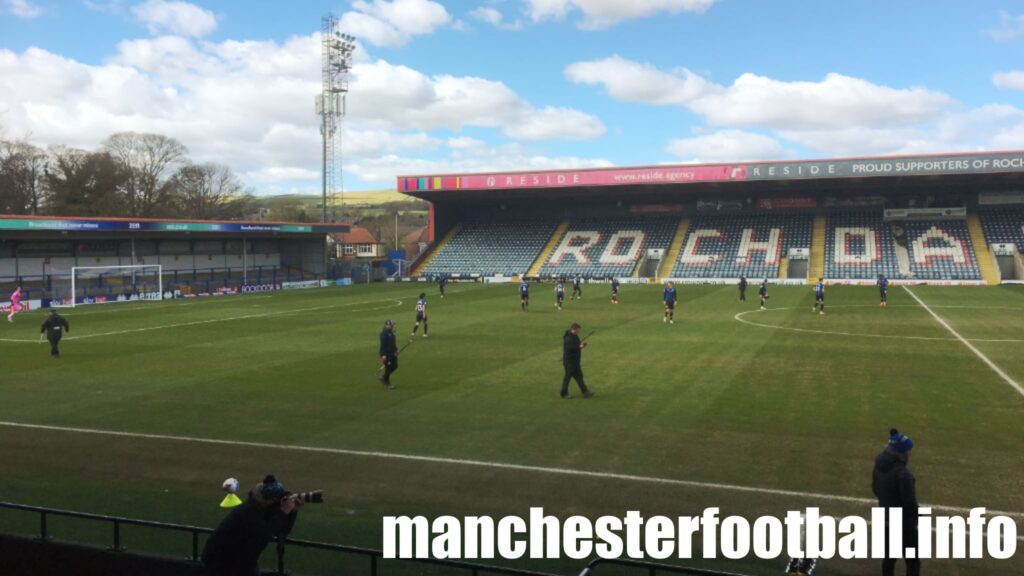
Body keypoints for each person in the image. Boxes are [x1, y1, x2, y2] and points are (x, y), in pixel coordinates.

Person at [201, 474, 301, 576]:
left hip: (240, 560)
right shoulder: (249, 512)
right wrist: (283, 512)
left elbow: (281, 531)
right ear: (269, 499)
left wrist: (292, 512)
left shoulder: (259, 508)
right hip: (222, 561)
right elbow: (264, 534)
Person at [872, 429, 920, 576]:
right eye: (909, 450)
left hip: (886, 520)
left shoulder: (878, 467)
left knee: (889, 559)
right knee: (912, 561)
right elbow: (909, 503)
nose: (910, 453)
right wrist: (917, 516)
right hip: (904, 525)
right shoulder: (904, 474)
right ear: (901, 452)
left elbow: (875, 489)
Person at [561, 323, 594, 399]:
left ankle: (585, 392)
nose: (579, 332)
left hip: (575, 361)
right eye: (578, 330)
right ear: (574, 329)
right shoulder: (569, 338)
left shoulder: (574, 336)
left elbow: (576, 345)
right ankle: (564, 393)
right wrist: (579, 346)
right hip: (570, 362)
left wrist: (581, 345)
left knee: (579, 377)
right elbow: (571, 348)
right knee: (567, 378)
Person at [379, 319, 398, 389]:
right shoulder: (384, 333)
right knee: (388, 368)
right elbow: (382, 345)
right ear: (387, 325)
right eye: (391, 325)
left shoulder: (392, 332)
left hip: (392, 353)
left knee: (395, 366)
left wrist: (396, 349)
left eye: (392, 325)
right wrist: (383, 355)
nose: (392, 326)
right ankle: (387, 383)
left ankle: (384, 377)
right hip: (387, 354)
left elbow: (393, 342)